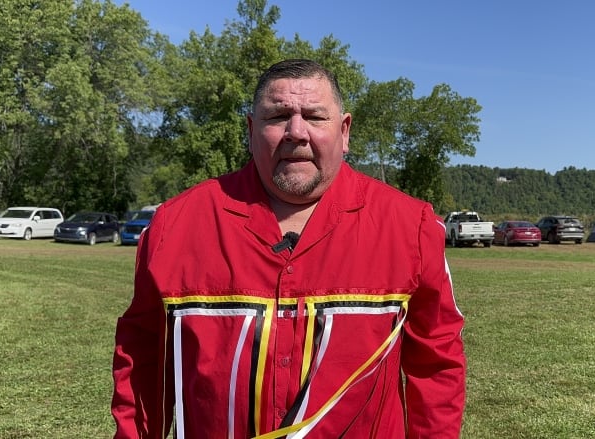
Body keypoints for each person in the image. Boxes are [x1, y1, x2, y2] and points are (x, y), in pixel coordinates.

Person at [111, 59, 466, 439]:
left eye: (314, 116)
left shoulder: (411, 227)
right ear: (251, 130)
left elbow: (436, 365)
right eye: (278, 116)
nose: (296, 132)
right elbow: (144, 361)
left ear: (344, 131)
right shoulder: (176, 227)